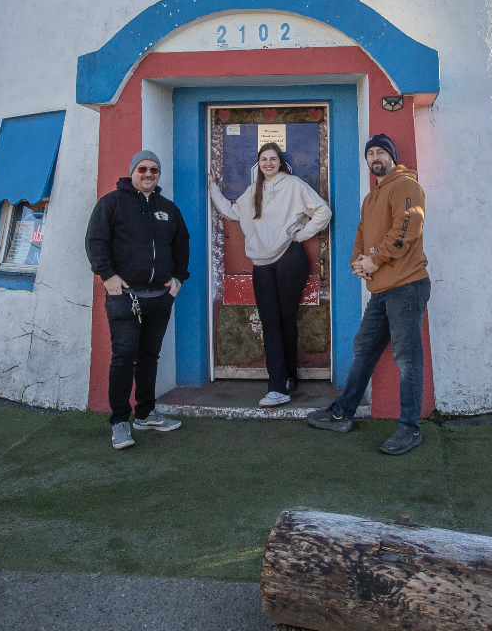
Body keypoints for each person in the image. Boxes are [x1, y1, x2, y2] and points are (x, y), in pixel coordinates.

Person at [307, 133, 429, 455]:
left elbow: (408, 227)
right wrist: (358, 262)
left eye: (380, 152)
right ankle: (342, 412)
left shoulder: (405, 185)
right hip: (382, 288)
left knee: (406, 358)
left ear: (391, 156)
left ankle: (410, 428)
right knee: (364, 348)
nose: (375, 158)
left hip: (407, 285)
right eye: (370, 153)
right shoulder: (371, 196)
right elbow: (362, 232)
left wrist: (376, 259)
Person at [208, 142, 331, 407]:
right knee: (271, 322)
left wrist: (301, 234)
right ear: (259, 163)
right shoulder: (253, 191)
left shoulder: (294, 185)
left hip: (290, 260)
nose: (268, 163)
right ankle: (285, 380)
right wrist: (213, 189)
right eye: (264, 159)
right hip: (261, 264)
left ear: (280, 162)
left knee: (285, 321)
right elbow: (231, 212)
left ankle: (278, 386)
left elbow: (323, 211)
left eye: (273, 158)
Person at [85, 150, 190, 450]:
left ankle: (145, 413)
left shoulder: (168, 208)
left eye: (154, 170)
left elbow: (181, 243)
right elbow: (96, 241)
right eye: (142, 169)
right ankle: (120, 421)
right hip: (125, 298)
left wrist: (179, 277)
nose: (148, 174)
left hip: (160, 296)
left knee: (149, 358)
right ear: (132, 171)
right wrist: (107, 276)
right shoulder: (112, 203)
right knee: (123, 358)